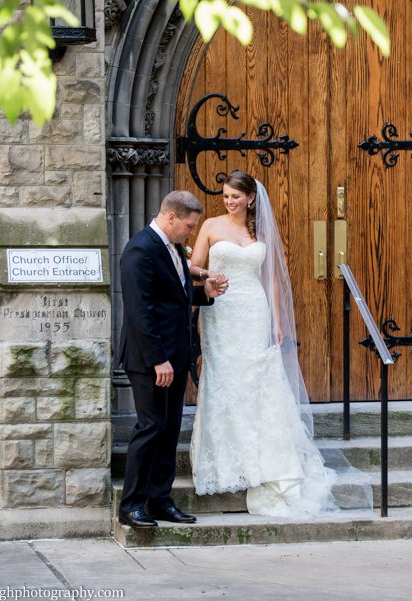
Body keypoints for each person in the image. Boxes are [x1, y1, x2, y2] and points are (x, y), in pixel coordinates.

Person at [188, 170, 372, 517]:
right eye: (226, 196)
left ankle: (265, 454)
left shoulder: (260, 230)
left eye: (235, 197)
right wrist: (209, 276)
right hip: (221, 309)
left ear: (251, 198)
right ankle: (226, 460)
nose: (229, 202)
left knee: (258, 377)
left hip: (254, 309)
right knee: (226, 377)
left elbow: (270, 278)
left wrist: (275, 321)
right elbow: (194, 266)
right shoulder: (211, 226)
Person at [116, 190, 228, 529]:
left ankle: (160, 499)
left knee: (168, 430)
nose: (191, 233)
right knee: (150, 427)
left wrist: (203, 293)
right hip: (152, 360)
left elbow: (173, 298)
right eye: (189, 226)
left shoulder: (174, 248)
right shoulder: (140, 250)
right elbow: (140, 311)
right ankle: (132, 505)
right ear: (170, 218)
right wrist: (158, 360)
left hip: (175, 358)